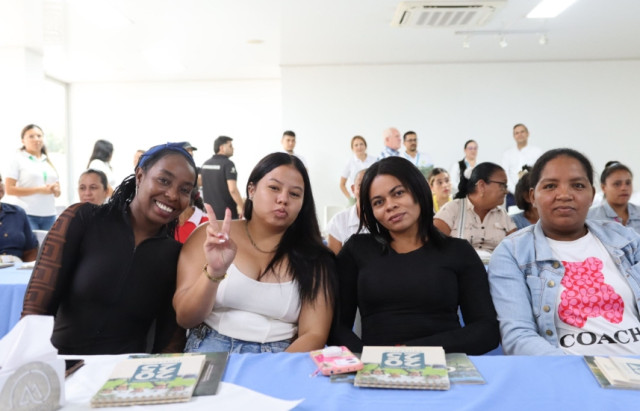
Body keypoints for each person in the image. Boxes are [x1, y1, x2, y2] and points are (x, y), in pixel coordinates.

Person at [21, 142, 198, 355]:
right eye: (164, 180)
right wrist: (38, 365)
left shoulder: (175, 255)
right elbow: (35, 311)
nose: (173, 195)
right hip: (60, 364)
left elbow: (170, 340)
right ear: (140, 176)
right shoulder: (82, 220)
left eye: (184, 190)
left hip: (126, 372)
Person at [330, 156, 499, 354]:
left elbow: (485, 331)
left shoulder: (458, 251)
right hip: (376, 367)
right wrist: (369, 358)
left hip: (444, 364)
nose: (390, 205)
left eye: (398, 193)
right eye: (378, 202)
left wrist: (409, 351)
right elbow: (336, 327)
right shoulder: (357, 250)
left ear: (419, 190)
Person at [174, 152, 336, 353]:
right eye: (274, 188)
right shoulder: (210, 237)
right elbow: (185, 318)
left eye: (294, 194)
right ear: (251, 189)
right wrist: (213, 273)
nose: (283, 199)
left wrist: (275, 367)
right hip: (211, 347)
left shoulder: (315, 257)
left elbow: (313, 334)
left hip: (282, 354)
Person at [489, 148, 640, 356]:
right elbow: (519, 337)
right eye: (550, 186)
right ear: (533, 196)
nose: (565, 195)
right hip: (569, 369)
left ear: (592, 195)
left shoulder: (625, 239)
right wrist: (576, 369)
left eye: (578, 185)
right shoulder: (513, 253)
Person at [434, 162, 516, 254]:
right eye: (502, 185)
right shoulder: (451, 210)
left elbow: (515, 251)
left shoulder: (503, 216)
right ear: (481, 185)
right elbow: (433, 248)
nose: (506, 191)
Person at [5, 124, 61, 230]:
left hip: (50, 215)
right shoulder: (18, 160)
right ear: (23, 140)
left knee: (51, 242)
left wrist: (56, 190)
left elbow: (58, 192)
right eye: (31, 136)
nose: (36, 139)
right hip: (28, 215)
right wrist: (39, 190)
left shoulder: (47, 161)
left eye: (39, 136)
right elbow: (9, 189)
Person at [588, 161, 640, 234]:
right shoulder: (590, 217)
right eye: (617, 184)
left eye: (628, 183)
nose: (624, 188)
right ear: (603, 188)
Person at [201, 136, 244, 220]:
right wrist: (243, 207)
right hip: (227, 216)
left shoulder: (205, 164)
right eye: (230, 146)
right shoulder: (228, 164)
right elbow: (233, 190)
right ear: (221, 148)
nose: (233, 148)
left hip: (209, 216)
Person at [502, 124, 543, 207]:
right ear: (514, 136)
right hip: (512, 195)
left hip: (531, 194)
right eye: (516, 133)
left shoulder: (537, 152)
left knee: (534, 215)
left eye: (522, 132)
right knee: (512, 215)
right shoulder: (507, 154)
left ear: (528, 133)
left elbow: (540, 172)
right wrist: (515, 190)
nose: (519, 135)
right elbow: (504, 174)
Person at [328, 169, 368, 255]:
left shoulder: (386, 218)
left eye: (370, 186)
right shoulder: (338, 221)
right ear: (353, 189)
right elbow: (333, 260)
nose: (366, 190)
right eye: (361, 185)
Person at [0, 173, 38, 262]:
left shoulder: (18, 213)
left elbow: (30, 251)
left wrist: (29, 269)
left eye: (0, 180)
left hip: (17, 267)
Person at [339, 136, 375, 202]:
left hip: (372, 196)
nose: (359, 147)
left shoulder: (374, 160)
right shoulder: (350, 162)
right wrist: (350, 199)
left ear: (365, 146)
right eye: (356, 145)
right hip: (355, 198)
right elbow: (342, 184)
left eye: (361, 144)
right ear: (352, 148)